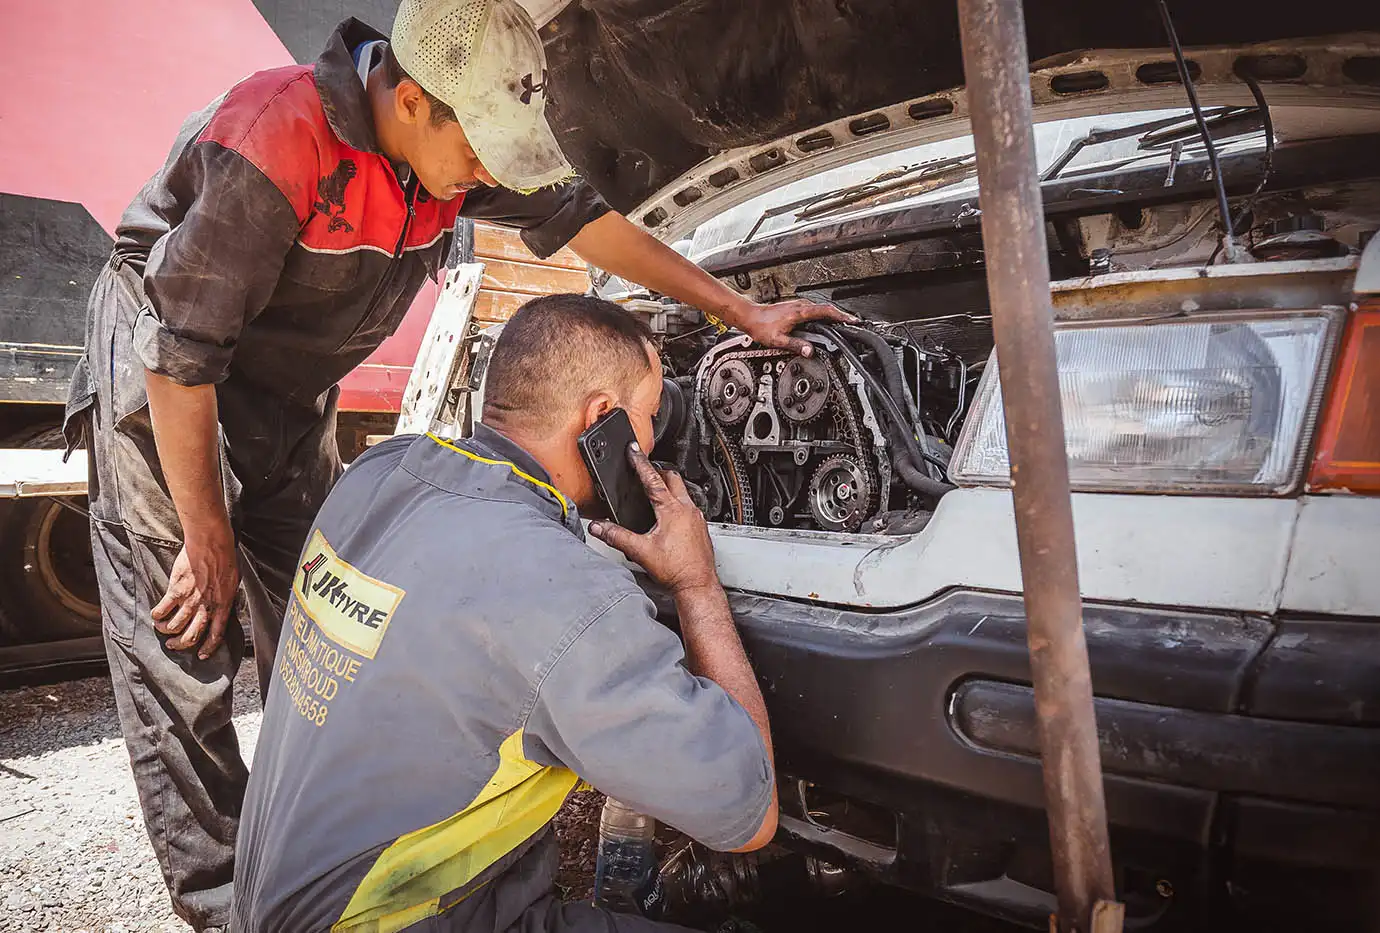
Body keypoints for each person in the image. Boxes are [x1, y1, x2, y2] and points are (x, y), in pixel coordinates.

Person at [63, 0, 849, 928]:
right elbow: (180, 354)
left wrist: (740, 312)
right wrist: (206, 534)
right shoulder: (275, 137)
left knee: (330, 621)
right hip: (167, 387)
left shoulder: (449, 153)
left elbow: (588, 226)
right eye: (479, 153)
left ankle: (339, 841)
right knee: (188, 639)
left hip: (282, 393)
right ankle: (222, 905)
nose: (485, 178)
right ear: (410, 102)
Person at [231, 293, 775, 932]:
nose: (656, 441)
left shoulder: (377, 472)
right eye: (651, 418)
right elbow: (748, 811)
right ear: (604, 420)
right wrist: (697, 583)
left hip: (265, 906)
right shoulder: (564, 590)